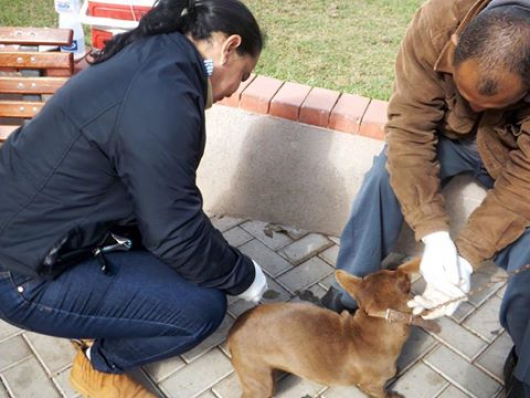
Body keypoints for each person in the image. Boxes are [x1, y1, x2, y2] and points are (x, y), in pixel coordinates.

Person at [0, 0, 267, 396]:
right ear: (228, 47)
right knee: (201, 308)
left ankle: (98, 314)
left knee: (190, 265)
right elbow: (175, 232)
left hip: (34, 238)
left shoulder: (154, 58)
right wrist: (246, 276)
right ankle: (99, 365)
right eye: (242, 76)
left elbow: (166, 210)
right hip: (24, 276)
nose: (235, 90)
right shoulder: (164, 95)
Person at [320, 0, 530, 397]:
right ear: (456, 44)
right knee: (387, 173)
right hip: (444, 139)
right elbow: (409, 129)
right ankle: (348, 293)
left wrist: (466, 256)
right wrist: (433, 234)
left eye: (492, 106)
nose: (472, 108)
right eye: (465, 96)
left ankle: (528, 366)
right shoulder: (440, 17)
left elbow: (525, 183)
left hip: (514, 159)